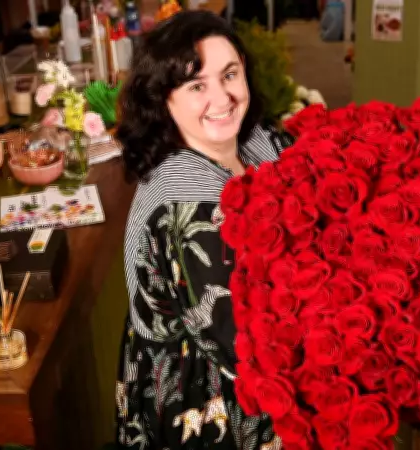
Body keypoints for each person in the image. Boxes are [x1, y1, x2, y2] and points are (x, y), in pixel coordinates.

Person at [115, 11, 287, 449]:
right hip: (206, 395)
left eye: (230, 74)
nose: (223, 97)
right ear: (163, 99)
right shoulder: (186, 210)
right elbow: (245, 348)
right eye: (196, 86)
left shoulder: (254, 140)